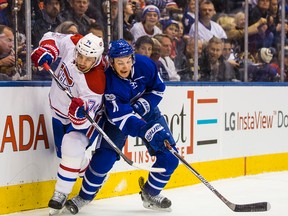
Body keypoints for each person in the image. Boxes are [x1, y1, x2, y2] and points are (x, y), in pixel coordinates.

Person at [65, 39, 179, 214]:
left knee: (170, 155)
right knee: (105, 159)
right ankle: (84, 197)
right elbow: (122, 117)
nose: (125, 66)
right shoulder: (109, 82)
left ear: (132, 58)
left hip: (148, 111)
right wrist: (146, 130)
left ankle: (150, 193)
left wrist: (144, 105)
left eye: (127, 61)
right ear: (111, 62)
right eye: (120, 63)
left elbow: (158, 90)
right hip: (118, 119)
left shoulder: (145, 64)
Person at [30, 32, 106, 214]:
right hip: (58, 111)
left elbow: (84, 120)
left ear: (97, 58)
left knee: (71, 147)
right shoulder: (74, 42)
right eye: (80, 55)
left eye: (88, 59)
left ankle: (60, 193)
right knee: (63, 153)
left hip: (85, 121)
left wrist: (80, 113)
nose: (82, 61)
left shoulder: (95, 82)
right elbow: (51, 36)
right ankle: (92, 174)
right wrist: (47, 49)